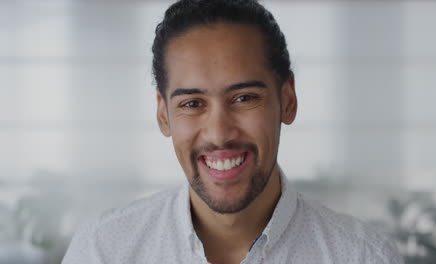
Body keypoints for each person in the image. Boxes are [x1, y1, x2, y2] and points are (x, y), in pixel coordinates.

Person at [62, 0, 404, 263]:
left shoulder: (363, 257)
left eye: (244, 98)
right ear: (163, 114)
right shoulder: (103, 251)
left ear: (288, 100)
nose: (219, 133)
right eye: (192, 103)